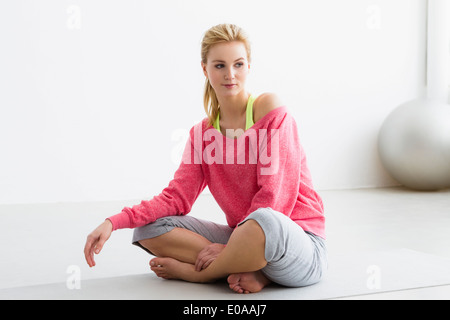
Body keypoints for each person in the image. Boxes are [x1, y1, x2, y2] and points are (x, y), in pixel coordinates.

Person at [84, 23, 327, 294]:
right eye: (220, 65)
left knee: (265, 219)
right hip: (245, 239)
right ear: (205, 69)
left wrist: (222, 251)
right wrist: (113, 221)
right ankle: (247, 268)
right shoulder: (202, 134)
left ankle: (205, 274)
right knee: (146, 229)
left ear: (249, 67)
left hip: (297, 244)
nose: (230, 74)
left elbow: (275, 198)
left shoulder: (268, 109)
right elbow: (175, 198)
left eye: (238, 64)